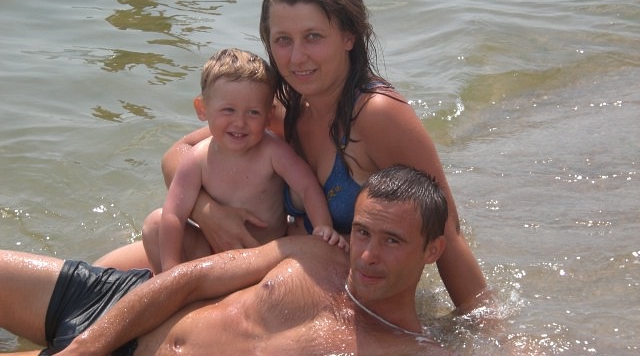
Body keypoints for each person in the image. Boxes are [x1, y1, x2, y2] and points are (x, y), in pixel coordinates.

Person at [97, 0, 487, 310]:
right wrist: (209, 213)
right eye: (283, 40)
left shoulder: (376, 115)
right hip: (270, 256)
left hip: (324, 283)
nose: (296, 57)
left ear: (348, 37)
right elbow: (178, 155)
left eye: (313, 37)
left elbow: (445, 231)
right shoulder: (284, 109)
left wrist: (484, 328)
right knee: (102, 270)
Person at [1, 165, 453, 356]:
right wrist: (85, 348)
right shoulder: (316, 253)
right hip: (124, 305)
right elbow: (192, 280)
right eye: (362, 232)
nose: (367, 255)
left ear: (432, 250)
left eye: (392, 241)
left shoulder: (407, 350)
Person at [144, 48, 346, 273]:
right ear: (202, 109)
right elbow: (174, 215)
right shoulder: (196, 159)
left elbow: (308, 187)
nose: (240, 122)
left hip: (264, 258)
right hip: (213, 251)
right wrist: (172, 269)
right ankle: (169, 284)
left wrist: (323, 227)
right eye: (228, 110)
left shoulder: (273, 152)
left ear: (268, 115)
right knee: (155, 223)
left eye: (253, 113)